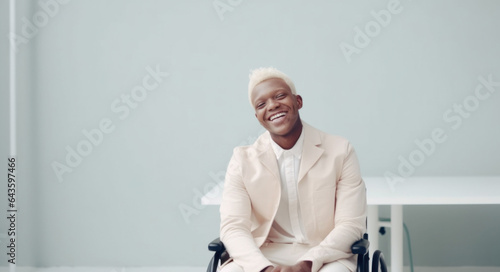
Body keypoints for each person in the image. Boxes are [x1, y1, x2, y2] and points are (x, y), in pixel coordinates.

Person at [220, 67, 367, 272]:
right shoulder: (242, 160)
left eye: (280, 96)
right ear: (258, 117)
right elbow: (233, 227)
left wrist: (308, 263)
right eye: (261, 104)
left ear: (298, 101)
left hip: (326, 255)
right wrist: (265, 269)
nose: (272, 105)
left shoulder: (341, 151)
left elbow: (351, 224)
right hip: (265, 253)